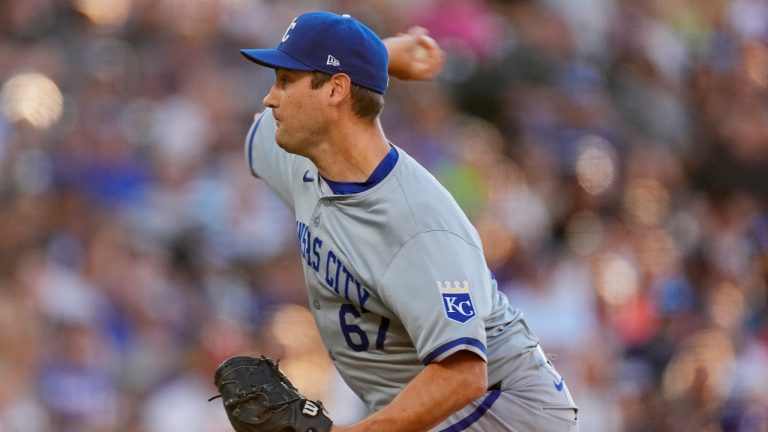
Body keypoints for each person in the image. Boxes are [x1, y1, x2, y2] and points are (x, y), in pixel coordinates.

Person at [238, 11, 578, 432]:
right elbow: (256, 130)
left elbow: (463, 375)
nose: (271, 98)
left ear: (336, 90)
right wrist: (380, 55)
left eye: (286, 81)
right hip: (433, 409)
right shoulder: (299, 157)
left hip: (501, 414)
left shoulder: (417, 223)